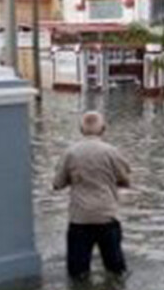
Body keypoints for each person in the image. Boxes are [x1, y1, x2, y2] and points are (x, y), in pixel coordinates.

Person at [53, 111, 133, 280]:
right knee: (116, 271)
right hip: (107, 217)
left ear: (81, 129)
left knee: (77, 275)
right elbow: (126, 181)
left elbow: (57, 184)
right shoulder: (112, 152)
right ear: (103, 129)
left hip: (79, 219)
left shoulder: (70, 153)